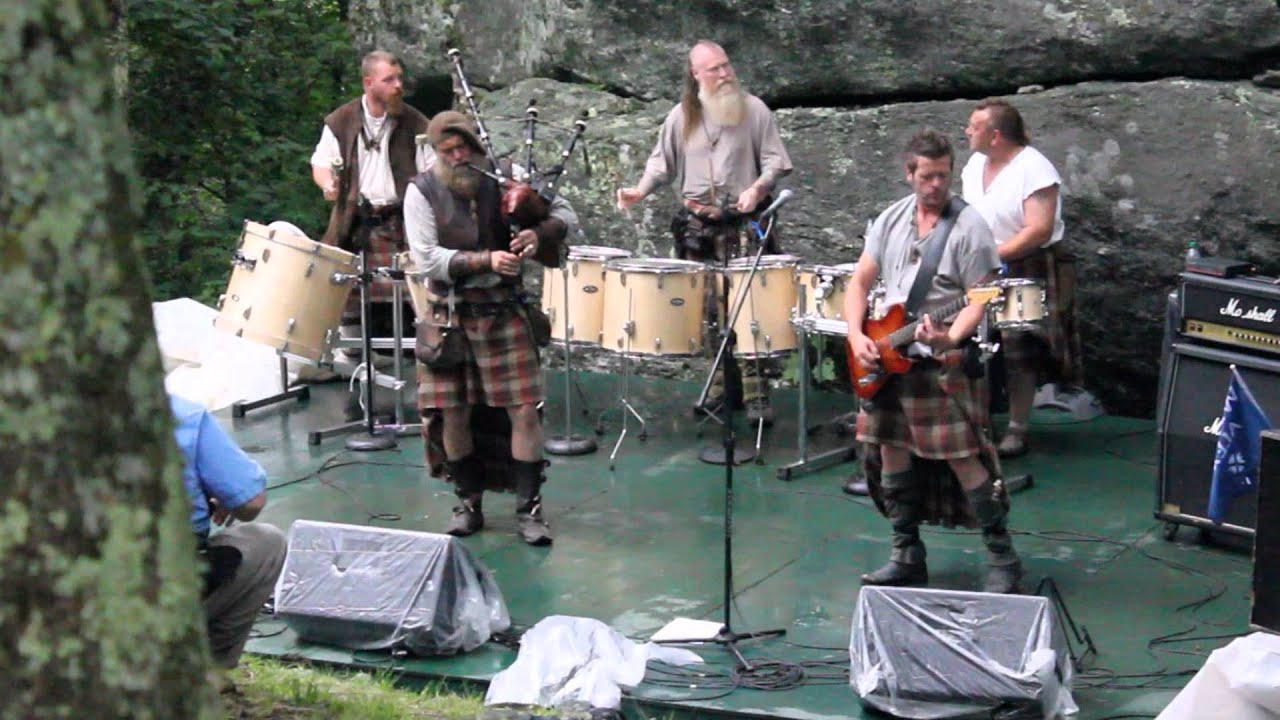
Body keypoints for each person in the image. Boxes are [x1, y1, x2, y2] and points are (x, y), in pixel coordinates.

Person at [845, 130, 1023, 594]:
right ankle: (906, 553)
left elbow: (979, 298)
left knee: (965, 457)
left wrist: (951, 337)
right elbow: (860, 282)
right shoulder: (890, 219)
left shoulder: (969, 227)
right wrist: (856, 333)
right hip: (888, 359)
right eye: (926, 177)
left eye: (943, 175)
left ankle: (1002, 558)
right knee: (889, 449)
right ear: (910, 175)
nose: (935, 185)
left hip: (939, 363)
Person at [405, 110, 577, 546]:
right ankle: (469, 503)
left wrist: (539, 234)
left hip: (503, 310)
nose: (460, 156)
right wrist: (485, 260)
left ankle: (529, 510)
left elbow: (565, 214)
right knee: (453, 412)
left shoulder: (506, 175)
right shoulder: (421, 191)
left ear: (477, 145)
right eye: (449, 151)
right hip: (450, 317)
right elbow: (425, 258)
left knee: (524, 409)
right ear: (437, 154)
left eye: (465, 148)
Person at [616, 40, 793, 423]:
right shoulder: (681, 117)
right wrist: (639, 191)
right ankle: (719, 384)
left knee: (750, 308)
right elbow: (660, 164)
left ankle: (756, 392)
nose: (725, 74)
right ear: (696, 75)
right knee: (709, 310)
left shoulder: (755, 110)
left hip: (745, 223)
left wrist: (757, 189)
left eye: (726, 66)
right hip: (699, 226)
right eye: (714, 69)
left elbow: (776, 162)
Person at [962, 98, 1082, 458]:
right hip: (979, 266)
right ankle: (977, 421)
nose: (967, 131)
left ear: (995, 135)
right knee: (972, 341)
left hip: (1027, 266)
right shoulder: (974, 164)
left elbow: (1039, 229)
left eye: (974, 126)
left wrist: (995, 256)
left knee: (1020, 347)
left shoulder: (1034, 169)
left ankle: (1017, 428)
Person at [311, 50, 434, 371]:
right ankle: (349, 359)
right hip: (356, 219)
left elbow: (432, 172)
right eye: (389, 80)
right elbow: (320, 163)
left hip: (402, 220)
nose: (398, 86)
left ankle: (433, 358)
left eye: (399, 79)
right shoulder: (341, 121)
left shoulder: (416, 123)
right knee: (345, 286)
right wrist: (328, 185)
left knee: (418, 288)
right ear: (369, 83)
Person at [171, 394, 286, 684]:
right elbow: (252, 503)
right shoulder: (183, 415)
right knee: (266, 542)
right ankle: (206, 669)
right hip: (158, 591)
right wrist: (216, 489)